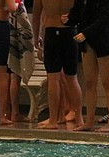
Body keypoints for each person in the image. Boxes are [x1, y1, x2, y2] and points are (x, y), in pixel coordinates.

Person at [63, 0, 109, 131]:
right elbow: (78, 11)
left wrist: (85, 33)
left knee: (107, 82)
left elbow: (104, 18)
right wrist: (69, 19)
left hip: (106, 39)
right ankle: (89, 122)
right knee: (90, 82)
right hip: (88, 40)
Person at [31, 0, 84, 129]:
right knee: (72, 78)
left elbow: (36, 15)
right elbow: (83, 9)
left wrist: (36, 37)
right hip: (70, 32)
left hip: (51, 33)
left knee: (53, 78)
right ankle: (79, 119)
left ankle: (53, 120)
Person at [6, 0, 34, 122]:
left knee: (8, 75)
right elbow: (14, 8)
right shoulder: (16, 5)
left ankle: (6, 111)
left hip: (1, 29)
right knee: (14, 75)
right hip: (12, 33)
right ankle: (14, 112)